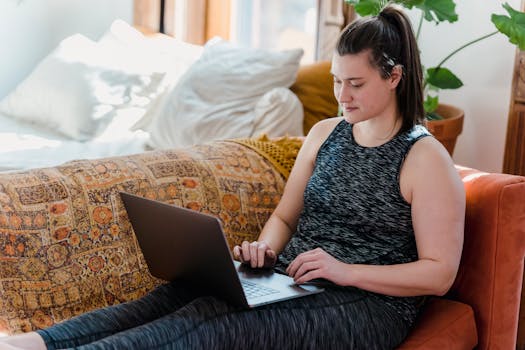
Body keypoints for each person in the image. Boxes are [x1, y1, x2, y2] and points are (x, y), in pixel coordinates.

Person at [0, 5, 464, 350]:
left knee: (217, 322)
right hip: (292, 280)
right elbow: (285, 217)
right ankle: (36, 343)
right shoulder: (325, 134)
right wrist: (265, 251)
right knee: (185, 291)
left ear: (394, 77)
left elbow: (439, 274)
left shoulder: (424, 159)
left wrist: (345, 271)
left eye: (355, 83)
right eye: (337, 81)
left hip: (369, 309)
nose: (342, 94)